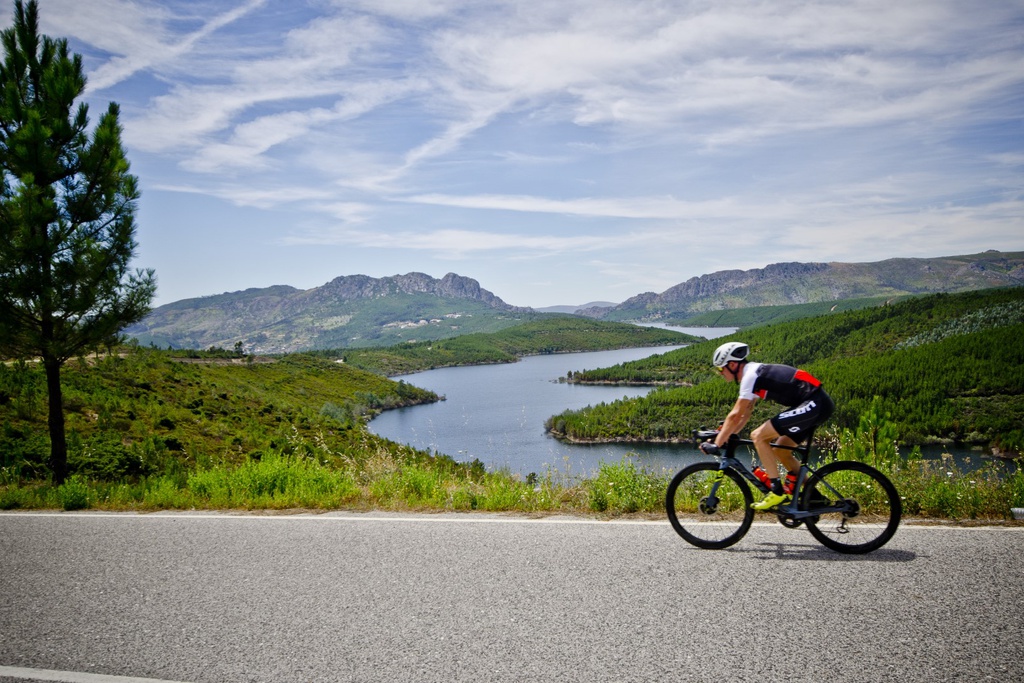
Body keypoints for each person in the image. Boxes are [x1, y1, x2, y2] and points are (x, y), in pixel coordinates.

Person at [700, 341, 834, 510]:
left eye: (720, 369)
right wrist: (728, 435)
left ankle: (777, 492)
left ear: (732, 365)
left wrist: (716, 443)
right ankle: (814, 497)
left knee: (758, 436)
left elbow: (735, 414)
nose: (720, 373)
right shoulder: (754, 374)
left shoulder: (750, 375)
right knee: (781, 449)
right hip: (815, 404)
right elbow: (745, 414)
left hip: (815, 402)